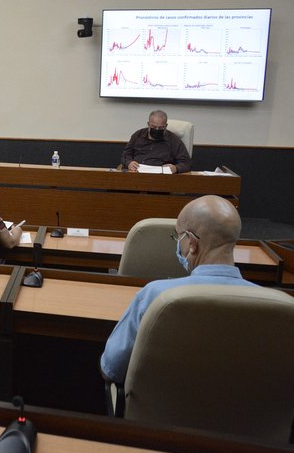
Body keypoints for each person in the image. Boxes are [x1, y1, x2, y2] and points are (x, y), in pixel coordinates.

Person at [100, 195, 256, 383]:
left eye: (178, 236)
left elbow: (112, 369)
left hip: (156, 412)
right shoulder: (273, 305)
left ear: (191, 243)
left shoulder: (156, 296)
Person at [121, 110, 191, 173]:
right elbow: (126, 155)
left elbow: (186, 163)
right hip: (137, 173)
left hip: (161, 178)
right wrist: (129, 163)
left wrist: (176, 168)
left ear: (166, 126)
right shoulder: (138, 135)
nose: (157, 130)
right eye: (153, 127)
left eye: (161, 128)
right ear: (148, 124)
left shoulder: (174, 140)